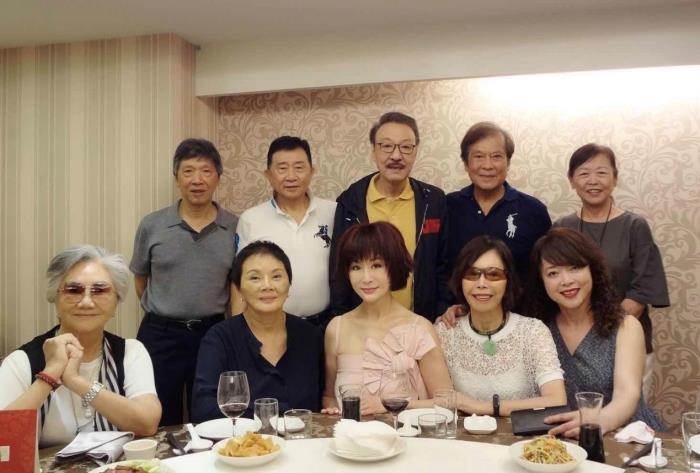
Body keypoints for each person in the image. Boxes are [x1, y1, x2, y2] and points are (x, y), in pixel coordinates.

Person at [0, 245, 160, 447]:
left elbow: (147, 424)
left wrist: (76, 381)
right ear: (55, 299)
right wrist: (49, 375)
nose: (86, 302)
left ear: (116, 303)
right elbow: (3, 438)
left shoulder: (130, 352)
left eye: (99, 291)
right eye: (73, 290)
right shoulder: (22, 361)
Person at [130, 138, 238, 425]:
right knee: (157, 416)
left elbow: (237, 285)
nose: (197, 180)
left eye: (206, 171)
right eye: (188, 171)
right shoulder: (152, 225)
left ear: (218, 177)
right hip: (160, 334)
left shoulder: (235, 227)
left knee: (212, 414)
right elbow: (140, 278)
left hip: (213, 332)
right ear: (176, 177)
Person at [524, 227, 664, 437]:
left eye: (575, 268)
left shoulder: (625, 326)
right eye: (553, 273)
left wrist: (594, 422)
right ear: (541, 281)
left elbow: (627, 395)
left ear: (592, 270)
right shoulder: (539, 329)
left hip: (625, 435)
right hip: (564, 437)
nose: (566, 280)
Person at [554, 143, 669, 397]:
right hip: (572, 346)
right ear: (571, 180)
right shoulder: (562, 227)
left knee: (627, 415)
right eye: (584, 173)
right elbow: (552, 283)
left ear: (615, 178)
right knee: (574, 413)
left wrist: (596, 335)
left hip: (624, 341)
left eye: (602, 173)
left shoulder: (634, 226)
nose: (593, 181)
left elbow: (640, 293)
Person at [322, 222, 453, 415]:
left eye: (376, 265)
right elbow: (329, 396)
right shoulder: (337, 328)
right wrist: (332, 411)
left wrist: (388, 405)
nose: (366, 278)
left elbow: (447, 402)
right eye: (356, 267)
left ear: (395, 266)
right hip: (349, 433)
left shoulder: (419, 328)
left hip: (407, 433)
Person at [330, 112, 449, 322]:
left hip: (419, 322)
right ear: (373, 151)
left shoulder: (433, 202)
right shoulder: (350, 203)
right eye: (386, 146)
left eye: (405, 147)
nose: (396, 156)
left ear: (415, 151)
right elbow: (339, 269)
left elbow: (443, 264)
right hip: (365, 325)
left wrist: (440, 312)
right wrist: (341, 320)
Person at [436, 235, 566, 416]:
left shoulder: (533, 332)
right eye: (472, 274)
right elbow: (437, 403)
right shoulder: (445, 332)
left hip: (524, 434)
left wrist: (482, 407)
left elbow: (556, 400)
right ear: (460, 280)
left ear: (508, 281)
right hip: (462, 434)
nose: (481, 284)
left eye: (493, 274)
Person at [192, 241, 323, 421]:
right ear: (238, 289)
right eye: (255, 278)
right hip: (241, 438)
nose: (267, 286)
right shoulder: (220, 338)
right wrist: (275, 415)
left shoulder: (310, 336)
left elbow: (325, 400)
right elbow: (204, 408)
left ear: (289, 284)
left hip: (303, 437)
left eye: (276, 276)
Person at [235, 136, 336, 325]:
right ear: (268, 174)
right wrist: (237, 330)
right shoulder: (251, 219)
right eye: (282, 168)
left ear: (312, 171)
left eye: (299, 167)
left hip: (324, 323)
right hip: (269, 325)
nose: (291, 176)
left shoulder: (333, 212)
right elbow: (239, 279)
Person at [446, 121, 551, 284]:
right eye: (479, 156)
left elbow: (545, 271)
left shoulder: (533, 211)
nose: (488, 165)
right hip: (458, 301)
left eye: (496, 156)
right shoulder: (447, 206)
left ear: (508, 163)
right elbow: (437, 267)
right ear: (466, 164)